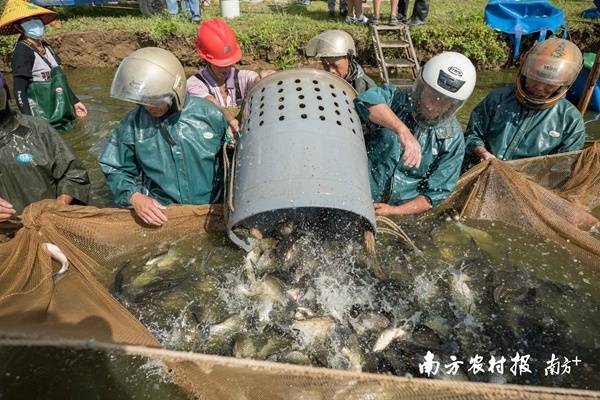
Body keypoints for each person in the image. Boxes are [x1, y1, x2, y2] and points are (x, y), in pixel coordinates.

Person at [99, 47, 229, 227]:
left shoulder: (210, 114)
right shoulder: (132, 124)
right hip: (163, 213)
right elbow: (115, 168)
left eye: (157, 100)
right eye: (143, 101)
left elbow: (233, 160)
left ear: (176, 91)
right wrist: (135, 197)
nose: (149, 107)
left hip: (211, 209)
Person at [355, 52, 476, 216]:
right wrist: (401, 129)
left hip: (402, 212)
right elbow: (366, 101)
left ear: (454, 105)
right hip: (361, 193)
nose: (433, 106)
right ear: (422, 87)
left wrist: (395, 211)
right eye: (432, 95)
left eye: (444, 100)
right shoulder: (396, 98)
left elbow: (435, 193)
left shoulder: (452, 139)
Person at [463, 38, 586, 170]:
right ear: (525, 71)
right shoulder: (498, 98)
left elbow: (563, 167)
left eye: (549, 84)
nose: (539, 87)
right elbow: (472, 135)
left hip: (528, 184)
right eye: (535, 78)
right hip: (482, 169)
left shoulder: (570, 120)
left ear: (563, 84)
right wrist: (482, 152)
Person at [0, 71, 90, 219]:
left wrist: (61, 203)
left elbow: (74, 174)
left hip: (49, 222)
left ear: (5, 92)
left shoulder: (38, 129)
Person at [0, 0, 87, 131]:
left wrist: (75, 101)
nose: (34, 22)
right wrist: (29, 121)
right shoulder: (22, 52)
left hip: (62, 112)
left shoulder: (46, 46)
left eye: (36, 18)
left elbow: (59, 79)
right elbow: (19, 90)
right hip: (43, 118)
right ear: (19, 27)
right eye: (28, 20)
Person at [187, 18, 272, 135]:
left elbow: (255, 80)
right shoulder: (194, 84)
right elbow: (211, 103)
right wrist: (231, 120)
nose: (227, 68)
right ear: (207, 60)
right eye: (221, 64)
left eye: (229, 63)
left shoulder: (241, 77)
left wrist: (265, 79)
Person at [306, 30, 376, 94]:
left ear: (349, 59)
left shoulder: (366, 88)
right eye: (325, 65)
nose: (331, 71)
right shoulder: (320, 81)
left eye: (335, 66)